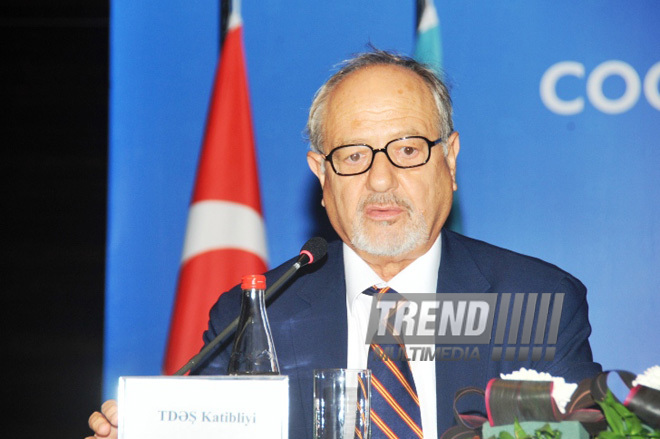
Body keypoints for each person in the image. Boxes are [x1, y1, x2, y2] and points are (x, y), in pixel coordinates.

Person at [87, 50, 601, 439]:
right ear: (321, 175)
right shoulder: (259, 315)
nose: (381, 180)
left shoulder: (536, 302)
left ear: (450, 159)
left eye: (407, 149)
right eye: (354, 156)